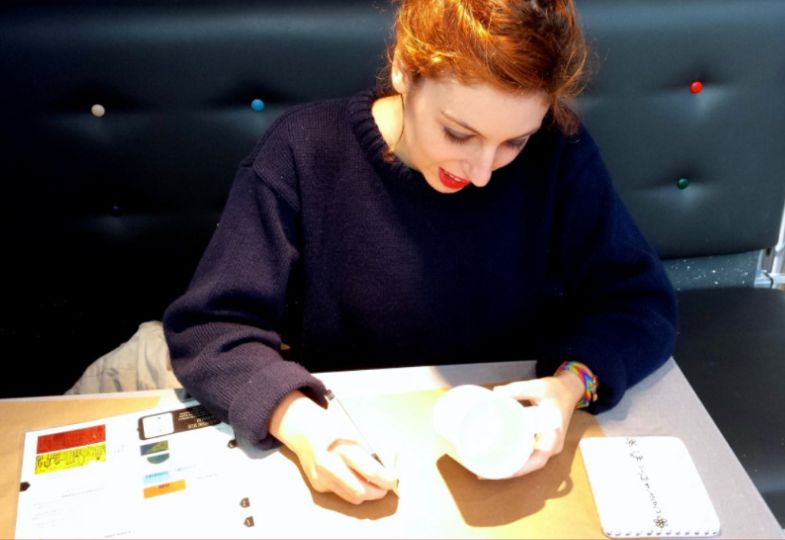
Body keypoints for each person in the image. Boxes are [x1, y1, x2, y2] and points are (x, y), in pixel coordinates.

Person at [163, 0, 676, 505]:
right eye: (458, 133)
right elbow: (212, 329)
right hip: (348, 440)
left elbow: (639, 303)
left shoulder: (559, 150)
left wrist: (570, 387)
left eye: (513, 143)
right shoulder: (304, 152)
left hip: (510, 454)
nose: (481, 172)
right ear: (404, 70)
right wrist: (298, 423)